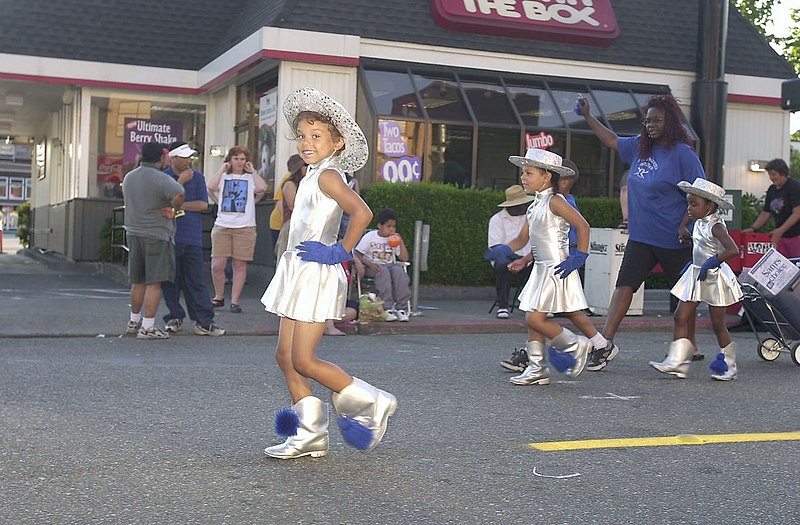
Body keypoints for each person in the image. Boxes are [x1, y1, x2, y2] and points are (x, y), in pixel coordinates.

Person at [261, 87, 397, 459]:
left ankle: (370, 400)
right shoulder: (312, 174)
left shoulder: (329, 176)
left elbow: (363, 213)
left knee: (303, 359)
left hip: (314, 272)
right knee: (284, 357)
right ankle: (310, 434)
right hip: (297, 268)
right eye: (303, 136)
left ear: (336, 142)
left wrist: (341, 250)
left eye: (316, 136)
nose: (306, 142)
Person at [576, 93, 705, 371]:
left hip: (674, 238)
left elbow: (700, 194)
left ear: (670, 121)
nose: (650, 125)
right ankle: (605, 344)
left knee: (685, 295)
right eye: (647, 121)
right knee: (625, 286)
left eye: (657, 120)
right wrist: (588, 116)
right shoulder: (639, 147)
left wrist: (686, 223)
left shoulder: (683, 153)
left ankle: (687, 346)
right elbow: (611, 140)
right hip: (642, 237)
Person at [486, 149, 610, 386]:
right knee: (532, 316)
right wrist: (503, 249)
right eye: (523, 173)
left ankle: (575, 345)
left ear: (546, 177)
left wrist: (579, 256)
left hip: (557, 267)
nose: (523, 178)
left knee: (535, 318)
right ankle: (537, 368)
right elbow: (523, 240)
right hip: (541, 269)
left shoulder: (555, 201)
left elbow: (583, 226)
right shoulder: (533, 206)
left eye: (529, 173)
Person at [649, 179, 742, 380]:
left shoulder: (716, 226)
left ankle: (729, 365)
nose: (689, 209)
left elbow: (733, 249)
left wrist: (712, 262)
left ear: (710, 206)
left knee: (718, 323)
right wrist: (692, 243)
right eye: (688, 204)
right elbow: (704, 245)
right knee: (680, 316)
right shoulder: (699, 222)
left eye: (694, 204)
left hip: (714, 277)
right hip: (696, 273)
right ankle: (678, 362)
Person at [160, 142, 225, 337]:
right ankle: (174, 316)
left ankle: (204, 320)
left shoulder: (197, 176)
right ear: (173, 158)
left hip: (192, 236)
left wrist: (179, 207)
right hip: (170, 236)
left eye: (190, 157)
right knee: (171, 280)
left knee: (196, 280)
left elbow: (202, 204)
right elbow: (164, 204)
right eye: (184, 157)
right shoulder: (164, 177)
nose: (189, 160)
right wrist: (179, 183)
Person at [122, 142, 185, 339]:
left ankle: (133, 321)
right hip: (156, 233)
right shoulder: (160, 178)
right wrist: (173, 208)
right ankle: (148, 326)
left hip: (133, 232)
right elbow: (179, 193)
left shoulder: (129, 177)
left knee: (138, 280)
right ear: (160, 158)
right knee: (154, 282)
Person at [207, 146, 267, 314]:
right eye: (236, 158)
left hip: (245, 226)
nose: (239, 162)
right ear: (230, 159)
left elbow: (262, 189)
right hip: (223, 225)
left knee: (239, 264)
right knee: (217, 265)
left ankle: (234, 301)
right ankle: (218, 296)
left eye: (242, 159)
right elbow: (210, 186)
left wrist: (253, 171)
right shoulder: (224, 177)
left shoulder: (250, 178)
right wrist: (222, 169)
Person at [355, 208, 412, 322]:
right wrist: (369, 263)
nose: (391, 229)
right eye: (388, 226)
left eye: (393, 226)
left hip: (390, 265)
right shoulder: (370, 237)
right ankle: (387, 307)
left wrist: (400, 243)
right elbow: (357, 254)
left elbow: (404, 258)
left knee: (399, 272)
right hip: (373, 266)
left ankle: (401, 308)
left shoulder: (393, 239)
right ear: (380, 226)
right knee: (383, 271)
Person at [487, 185, 534, 319]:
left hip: (527, 258)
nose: (525, 206)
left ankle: (535, 305)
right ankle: (502, 306)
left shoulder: (530, 218)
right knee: (502, 264)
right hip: (505, 258)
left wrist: (526, 259)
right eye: (522, 204)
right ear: (512, 206)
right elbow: (495, 247)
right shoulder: (497, 219)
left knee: (543, 263)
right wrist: (517, 258)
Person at [742, 158, 800, 259]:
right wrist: (753, 228)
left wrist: (780, 230)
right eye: (770, 175)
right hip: (779, 237)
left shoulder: (794, 187)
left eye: (774, 174)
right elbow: (766, 213)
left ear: (783, 173)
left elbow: (797, 213)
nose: (771, 178)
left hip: (795, 236)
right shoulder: (772, 189)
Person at [274, 155, 309, 259]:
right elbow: (293, 206)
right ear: (298, 168)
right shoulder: (290, 184)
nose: (309, 168)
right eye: (305, 165)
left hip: (306, 226)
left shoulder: (307, 184)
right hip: (292, 226)